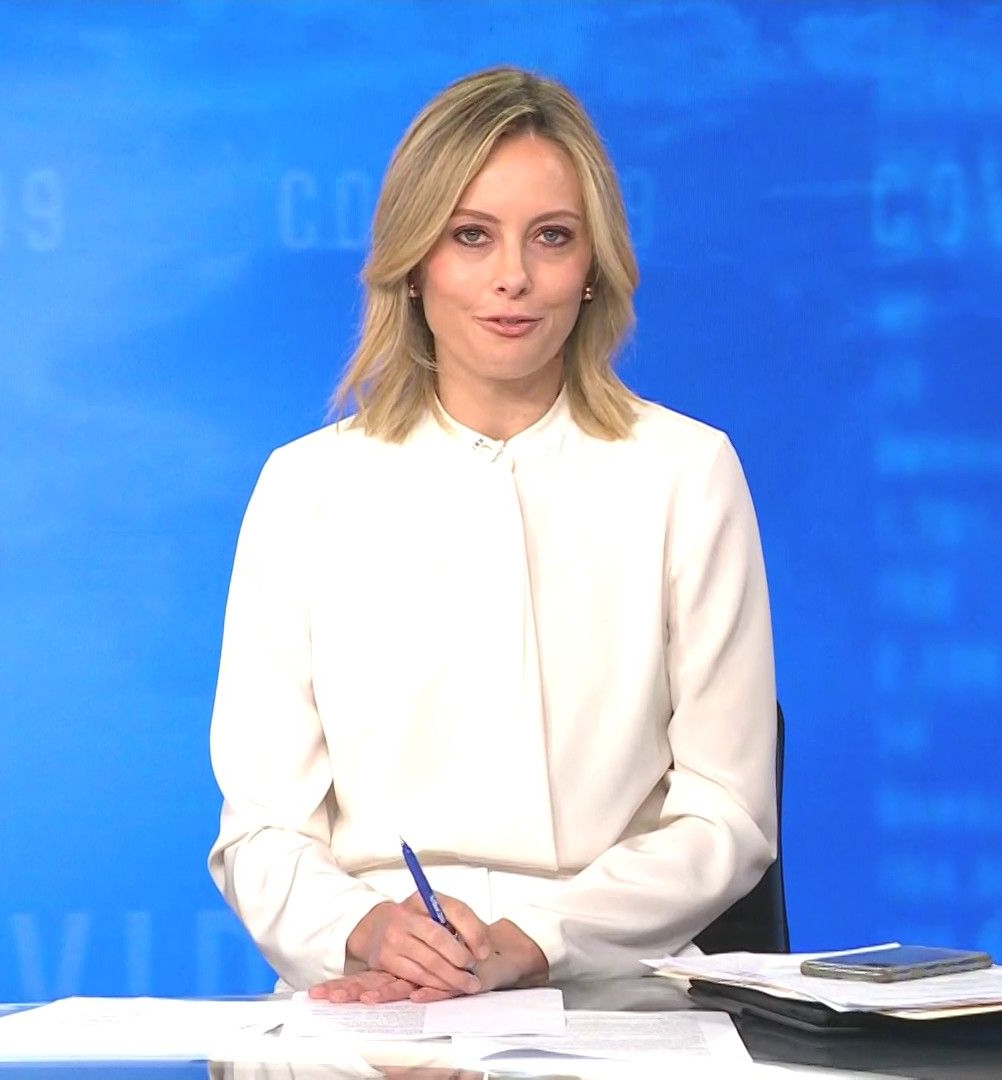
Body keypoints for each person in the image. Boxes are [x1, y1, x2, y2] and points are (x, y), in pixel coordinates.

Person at [206, 66, 777, 1005]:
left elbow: (728, 813)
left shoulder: (686, 472)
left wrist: (539, 940)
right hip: (369, 988)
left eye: (552, 237)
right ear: (414, 263)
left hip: (609, 984)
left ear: (593, 268)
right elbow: (262, 830)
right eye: (471, 236)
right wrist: (366, 935)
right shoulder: (306, 487)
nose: (514, 276)